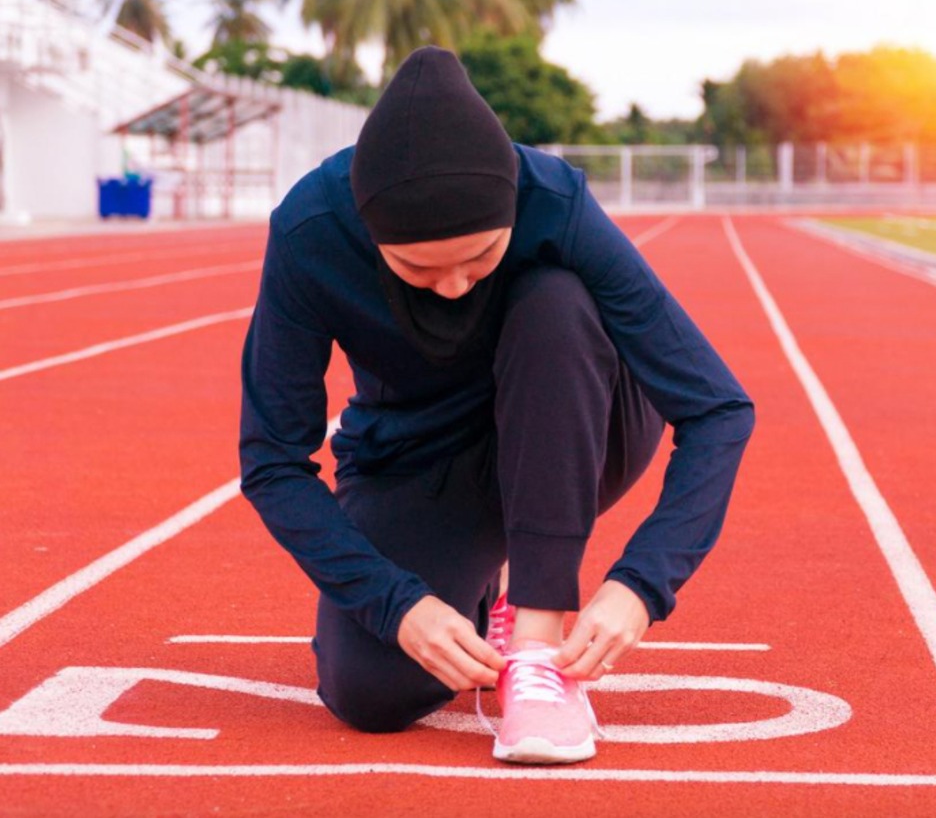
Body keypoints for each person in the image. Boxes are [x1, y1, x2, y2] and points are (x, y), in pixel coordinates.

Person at [238, 46, 755, 765]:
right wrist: (398, 602)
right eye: (418, 269)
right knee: (370, 693)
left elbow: (718, 407)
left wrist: (641, 584)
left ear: (512, 204)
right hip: (420, 456)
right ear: (367, 228)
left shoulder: (556, 199)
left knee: (555, 302)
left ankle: (538, 645)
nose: (453, 287)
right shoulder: (308, 232)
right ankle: (492, 579)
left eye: (479, 257)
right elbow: (272, 461)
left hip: (578, 416)